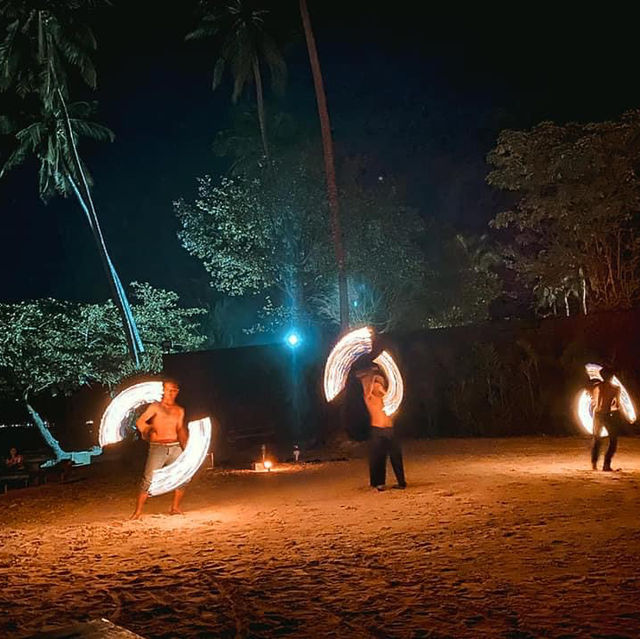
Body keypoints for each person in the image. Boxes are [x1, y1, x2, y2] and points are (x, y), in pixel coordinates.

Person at [130, 379, 189, 519]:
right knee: (148, 479)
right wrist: (146, 430)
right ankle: (138, 512)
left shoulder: (179, 410)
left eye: (173, 390)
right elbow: (140, 422)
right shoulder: (155, 407)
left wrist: (187, 448)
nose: (170, 393)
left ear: (177, 392)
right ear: (163, 391)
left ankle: (175, 507)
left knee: (184, 476)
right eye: (167, 390)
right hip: (158, 448)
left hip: (175, 447)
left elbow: (180, 429)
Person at [356, 363, 406, 491]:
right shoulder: (369, 398)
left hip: (390, 430)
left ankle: (401, 482)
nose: (379, 386)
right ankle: (379, 483)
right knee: (378, 457)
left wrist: (381, 386)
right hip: (377, 430)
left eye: (381, 383)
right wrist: (372, 377)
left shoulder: (388, 400)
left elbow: (392, 398)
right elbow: (366, 385)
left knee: (396, 456)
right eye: (376, 384)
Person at [590, 367, 622, 472]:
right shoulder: (616, 388)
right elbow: (617, 406)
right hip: (607, 415)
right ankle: (606, 465)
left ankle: (594, 464)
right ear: (612, 377)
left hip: (597, 414)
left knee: (597, 439)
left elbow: (593, 402)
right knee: (613, 440)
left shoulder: (596, 386)